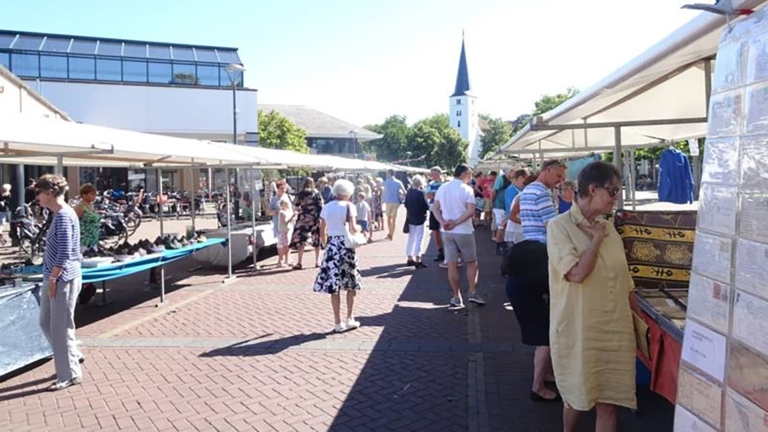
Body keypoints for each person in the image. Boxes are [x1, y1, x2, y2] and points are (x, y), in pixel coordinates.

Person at [547, 162, 635, 432]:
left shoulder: (611, 231)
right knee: (577, 398)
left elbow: (625, 284)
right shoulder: (559, 227)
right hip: (579, 332)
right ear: (593, 189)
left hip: (615, 332)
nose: (615, 197)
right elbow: (576, 274)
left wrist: (639, 328)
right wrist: (595, 240)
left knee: (609, 402)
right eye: (613, 191)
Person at [512, 159, 566, 402]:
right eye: (558, 175)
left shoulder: (527, 191)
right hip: (543, 257)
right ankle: (538, 385)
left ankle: (544, 374)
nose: (560, 180)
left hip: (531, 255)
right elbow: (552, 226)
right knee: (547, 329)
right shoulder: (542, 193)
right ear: (547, 170)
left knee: (543, 327)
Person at [35, 174, 84, 391]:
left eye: (39, 193)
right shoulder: (59, 214)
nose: (37, 197)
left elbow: (64, 253)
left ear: (49, 193)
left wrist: (54, 279)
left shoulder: (63, 215)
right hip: (55, 276)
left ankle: (68, 374)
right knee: (47, 322)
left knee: (60, 327)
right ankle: (72, 356)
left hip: (61, 278)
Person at [313, 179, 363, 333]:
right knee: (350, 283)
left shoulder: (327, 207)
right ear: (347, 193)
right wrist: (361, 228)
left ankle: (337, 322)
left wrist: (325, 244)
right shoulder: (349, 206)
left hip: (332, 246)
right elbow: (354, 228)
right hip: (346, 246)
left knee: (333, 285)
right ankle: (350, 318)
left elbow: (322, 229)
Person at [433, 164, 484, 308]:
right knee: (471, 262)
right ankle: (472, 292)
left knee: (452, 264)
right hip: (464, 230)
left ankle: (456, 296)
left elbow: (435, 208)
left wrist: (443, 222)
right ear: (464, 174)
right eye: (470, 175)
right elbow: (470, 211)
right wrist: (456, 222)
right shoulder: (467, 189)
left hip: (447, 231)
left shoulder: (442, 188)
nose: (470, 178)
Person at [292, 178, 324, 269]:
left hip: (303, 218)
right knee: (316, 239)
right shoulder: (317, 193)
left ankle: (299, 262)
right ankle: (317, 261)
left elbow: (295, 205)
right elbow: (321, 206)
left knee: (301, 240)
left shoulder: (301, 194)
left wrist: (300, 210)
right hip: (314, 218)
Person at [404, 175, 429, 268]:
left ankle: (409, 257)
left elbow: (406, 204)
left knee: (411, 238)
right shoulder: (420, 193)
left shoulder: (409, 192)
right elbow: (425, 206)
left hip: (410, 217)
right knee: (419, 238)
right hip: (420, 218)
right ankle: (418, 258)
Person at [267, 180, 293, 263]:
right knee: (280, 242)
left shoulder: (288, 197)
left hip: (289, 223)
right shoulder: (274, 199)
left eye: (285, 188)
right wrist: (277, 212)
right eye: (282, 188)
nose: (283, 190)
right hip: (279, 224)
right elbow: (268, 211)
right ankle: (280, 259)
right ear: (277, 189)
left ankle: (288, 258)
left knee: (288, 241)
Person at [504, 173, 534, 247]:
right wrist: (527, 223)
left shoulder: (524, 195)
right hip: (516, 233)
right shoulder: (521, 196)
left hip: (519, 233)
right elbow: (511, 216)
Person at [426, 167, 445, 262]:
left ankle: (449, 250)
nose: (431, 176)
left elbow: (432, 195)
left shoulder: (445, 184)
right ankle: (440, 251)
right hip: (433, 210)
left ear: (438, 173)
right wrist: (438, 195)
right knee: (435, 231)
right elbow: (428, 195)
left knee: (445, 230)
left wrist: (434, 195)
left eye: (433, 173)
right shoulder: (430, 184)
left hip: (444, 210)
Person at [74, 184, 101, 254]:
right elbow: (73, 223)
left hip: (93, 239)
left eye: (95, 194)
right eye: (92, 194)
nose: (95, 196)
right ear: (84, 195)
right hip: (84, 241)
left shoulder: (91, 205)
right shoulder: (80, 207)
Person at [490, 169, 512, 253]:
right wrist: (492, 203)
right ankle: (499, 246)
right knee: (501, 226)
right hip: (499, 206)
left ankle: (502, 244)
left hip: (505, 207)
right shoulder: (501, 179)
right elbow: (494, 191)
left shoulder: (511, 180)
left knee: (504, 226)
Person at [383, 169, 406, 241]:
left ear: (388, 174)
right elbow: (405, 192)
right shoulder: (398, 182)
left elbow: (378, 186)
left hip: (388, 201)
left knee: (388, 218)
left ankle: (390, 233)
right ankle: (392, 234)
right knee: (394, 219)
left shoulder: (386, 182)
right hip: (396, 201)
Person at [276, 199, 295, 268]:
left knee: (287, 246)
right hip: (283, 231)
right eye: (285, 204)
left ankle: (287, 260)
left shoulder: (287, 212)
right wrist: (292, 217)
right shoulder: (282, 213)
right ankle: (281, 261)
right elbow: (285, 221)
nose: (287, 205)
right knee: (284, 246)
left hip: (287, 231)